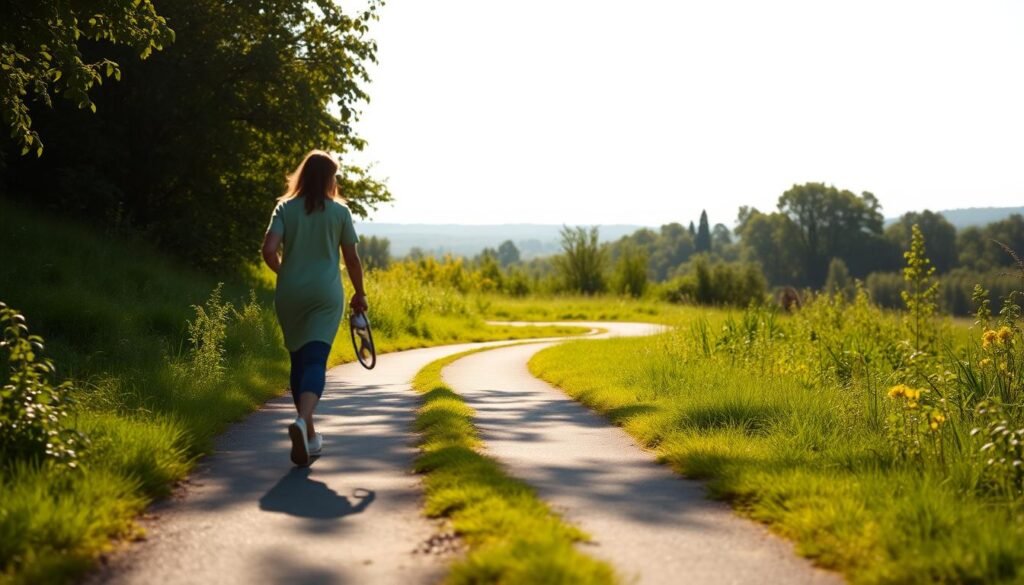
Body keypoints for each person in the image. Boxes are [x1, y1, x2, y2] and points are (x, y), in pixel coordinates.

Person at [261, 150, 367, 466]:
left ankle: (308, 433)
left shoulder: (284, 208)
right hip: (325, 294)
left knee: (298, 359)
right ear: (329, 178)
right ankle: (303, 421)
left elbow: (268, 250)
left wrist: (287, 274)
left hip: (290, 293)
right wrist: (360, 293)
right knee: (316, 358)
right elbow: (351, 259)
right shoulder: (340, 213)